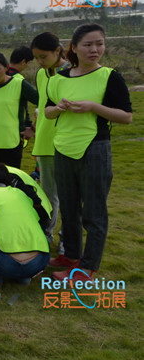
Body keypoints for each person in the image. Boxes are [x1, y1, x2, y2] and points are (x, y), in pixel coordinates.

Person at [45, 23, 132, 282]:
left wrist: (94, 106)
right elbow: (48, 112)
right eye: (88, 44)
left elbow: (126, 117)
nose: (95, 49)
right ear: (74, 47)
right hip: (62, 148)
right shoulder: (59, 77)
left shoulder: (109, 77)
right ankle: (71, 256)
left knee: (94, 211)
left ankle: (88, 267)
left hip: (94, 148)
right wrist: (59, 108)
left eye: (100, 44)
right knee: (69, 208)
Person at [30, 32, 71, 259]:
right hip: (45, 142)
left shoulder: (74, 73)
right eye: (36, 57)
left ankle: (68, 239)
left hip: (69, 142)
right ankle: (46, 234)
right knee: (48, 194)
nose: (40, 61)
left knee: (70, 195)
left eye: (43, 56)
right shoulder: (40, 73)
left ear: (58, 51)